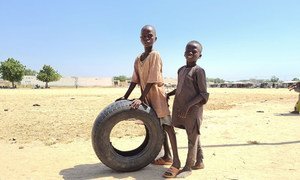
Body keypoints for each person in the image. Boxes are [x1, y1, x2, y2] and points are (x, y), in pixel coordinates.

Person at [116, 25, 180, 176]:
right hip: (145, 96)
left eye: (150, 35)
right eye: (144, 36)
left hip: (157, 95)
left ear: (155, 38)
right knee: (156, 127)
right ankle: (167, 156)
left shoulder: (155, 55)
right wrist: (125, 96)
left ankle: (176, 162)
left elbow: (152, 80)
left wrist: (140, 98)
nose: (147, 38)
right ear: (140, 39)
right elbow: (134, 80)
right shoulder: (138, 58)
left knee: (167, 126)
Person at [166, 40, 209, 178]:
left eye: (194, 51)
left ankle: (188, 166)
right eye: (187, 50)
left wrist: (188, 106)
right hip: (181, 108)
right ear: (184, 52)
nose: (190, 52)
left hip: (193, 110)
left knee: (192, 136)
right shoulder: (181, 70)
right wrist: (169, 94)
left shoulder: (199, 71)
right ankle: (200, 161)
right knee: (193, 134)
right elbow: (180, 87)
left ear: (200, 55)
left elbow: (203, 94)